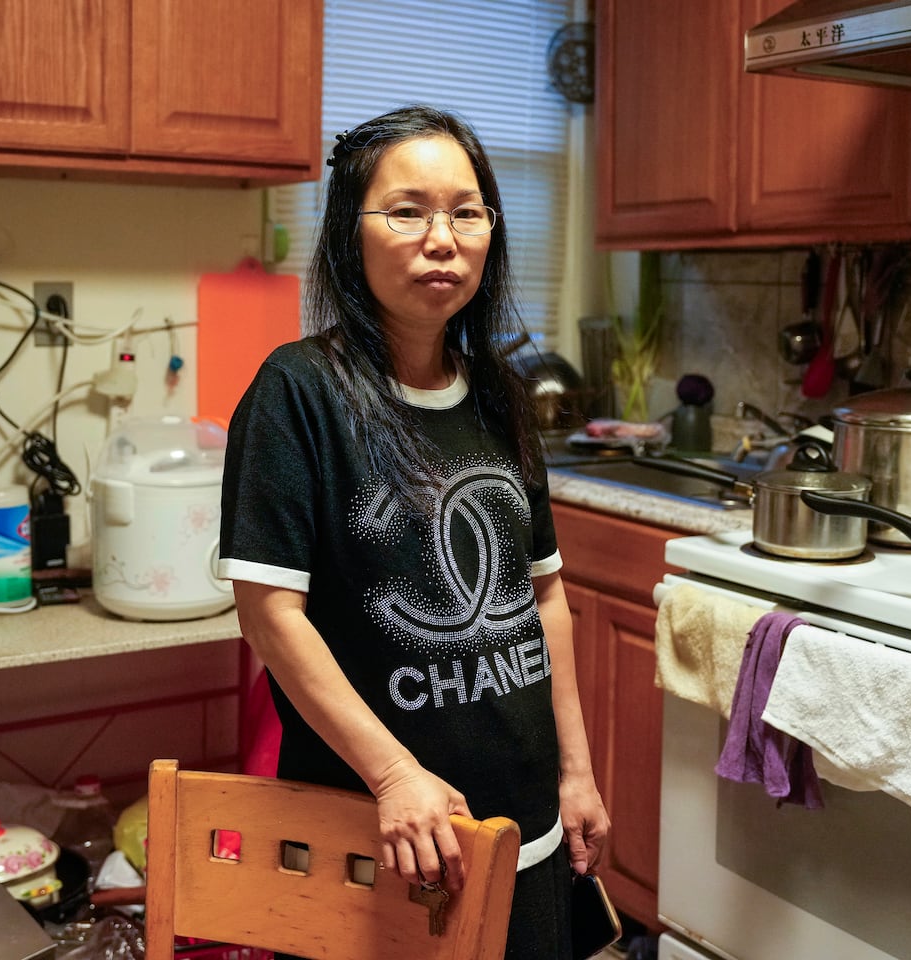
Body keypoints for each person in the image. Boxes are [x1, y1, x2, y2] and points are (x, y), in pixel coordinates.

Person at [218, 104, 610, 959]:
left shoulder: (502, 395)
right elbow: (269, 613)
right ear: (349, 233)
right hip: (379, 828)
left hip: (525, 817)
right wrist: (395, 774)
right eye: (407, 211)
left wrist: (575, 771)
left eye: (467, 212)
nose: (444, 238)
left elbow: (545, 596)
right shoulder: (299, 393)